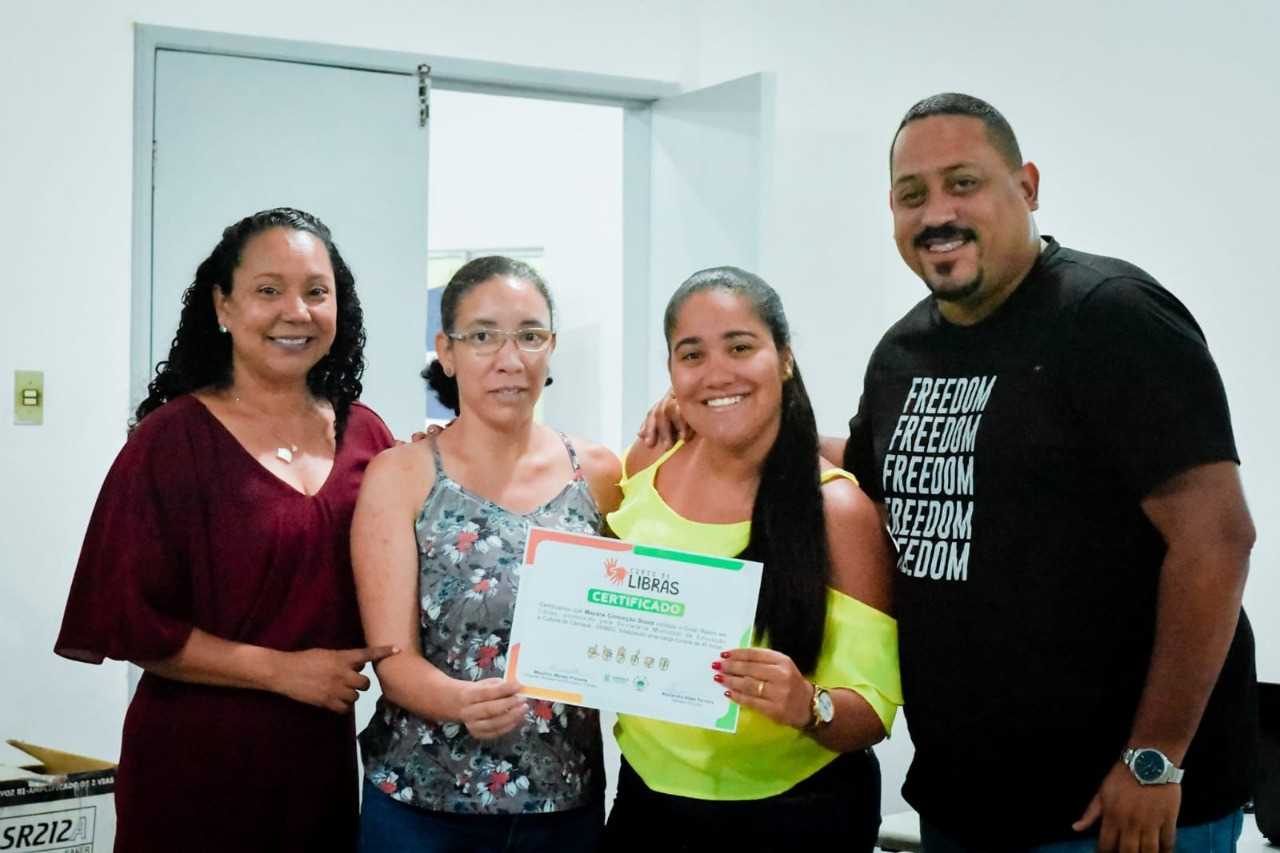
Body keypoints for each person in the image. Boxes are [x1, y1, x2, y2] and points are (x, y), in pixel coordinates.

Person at [844, 94, 1257, 851]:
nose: (938, 213)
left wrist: (1155, 758)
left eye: (963, 183)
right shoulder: (900, 353)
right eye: (911, 194)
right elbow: (871, 477)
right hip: (966, 806)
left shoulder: (1110, 317)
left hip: (1114, 811)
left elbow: (1218, 538)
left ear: (1027, 186)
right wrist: (726, 421)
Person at [55, 208, 398, 851]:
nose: (296, 312)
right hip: (193, 767)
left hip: (316, 767)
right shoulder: (169, 442)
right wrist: (281, 672)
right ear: (223, 306)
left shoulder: (369, 437)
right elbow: (129, 621)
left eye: (316, 292)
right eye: (268, 289)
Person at [605, 267, 901, 852]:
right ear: (672, 372)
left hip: (798, 813)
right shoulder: (645, 465)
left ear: (784, 358)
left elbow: (874, 710)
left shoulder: (837, 508)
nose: (717, 373)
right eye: (692, 355)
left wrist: (807, 705)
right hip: (647, 800)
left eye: (740, 347)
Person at [353, 256, 623, 852]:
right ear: (446, 352)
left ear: (551, 347)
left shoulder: (601, 474)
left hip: (564, 804)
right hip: (422, 806)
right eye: (482, 337)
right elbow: (393, 660)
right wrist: (460, 702)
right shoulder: (401, 475)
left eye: (530, 335)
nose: (509, 359)